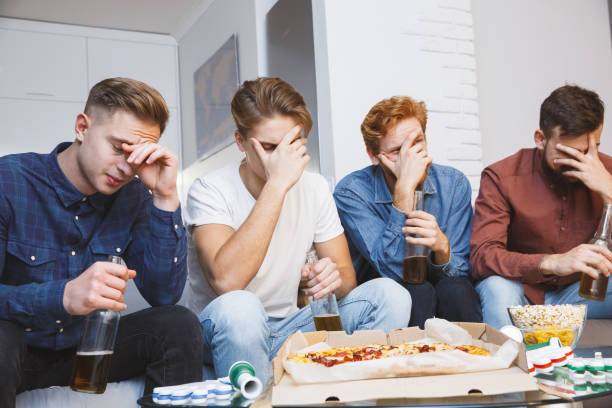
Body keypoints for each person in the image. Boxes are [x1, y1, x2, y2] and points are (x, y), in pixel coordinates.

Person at [184, 77, 411, 384]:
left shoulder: (315, 188)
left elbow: (346, 279)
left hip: (288, 327)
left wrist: (331, 277)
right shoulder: (209, 189)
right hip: (224, 331)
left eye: (292, 145)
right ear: (240, 141)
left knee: (390, 294)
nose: (282, 159)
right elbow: (228, 281)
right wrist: (276, 185)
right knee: (241, 307)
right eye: (269, 147)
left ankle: (356, 398)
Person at [0, 77, 203, 407]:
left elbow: (164, 294)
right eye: (119, 148)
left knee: (177, 324)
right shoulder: (8, 181)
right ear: (82, 127)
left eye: (137, 156)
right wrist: (63, 296)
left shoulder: (134, 197)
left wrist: (165, 195)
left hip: (86, 351)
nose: (126, 168)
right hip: (16, 352)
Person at [334, 96, 482, 328]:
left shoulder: (453, 183)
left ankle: (473, 360)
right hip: (387, 296)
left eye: (417, 143)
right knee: (416, 291)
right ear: (374, 156)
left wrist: (442, 249)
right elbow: (391, 272)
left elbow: (461, 271)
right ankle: (412, 362)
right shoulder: (351, 192)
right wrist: (405, 190)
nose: (410, 157)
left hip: (442, 286)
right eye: (396, 150)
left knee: (457, 289)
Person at [471, 84, 612, 328]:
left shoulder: (607, 172)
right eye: (569, 152)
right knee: (496, 286)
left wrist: (609, 191)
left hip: (583, 295)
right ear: (540, 139)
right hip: (523, 293)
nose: (584, 161)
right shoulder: (502, 176)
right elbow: (482, 257)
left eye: (591, 149)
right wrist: (551, 262)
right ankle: (511, 364)